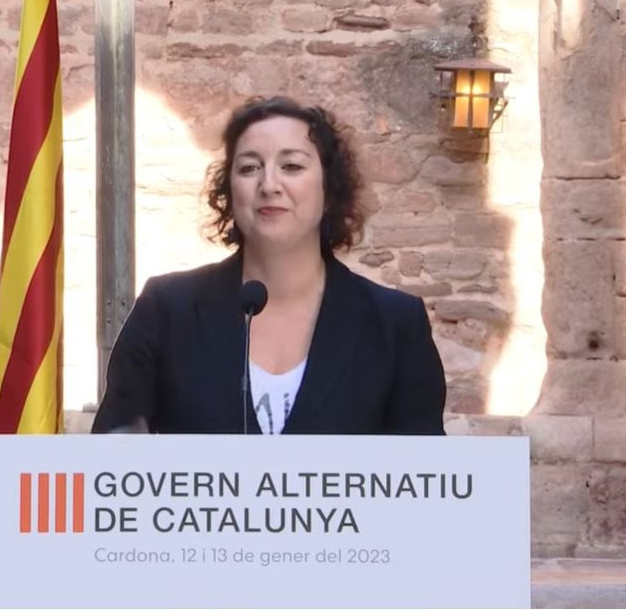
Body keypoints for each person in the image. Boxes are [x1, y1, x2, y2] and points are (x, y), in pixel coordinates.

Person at [91, 96, 446, 435]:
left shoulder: (395, 324)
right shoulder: (167, 308)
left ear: (329, 188)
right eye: (249, 168)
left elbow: (425, 481)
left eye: (291, 166)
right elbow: (110, 462)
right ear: (230, 189)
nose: (269, 184)